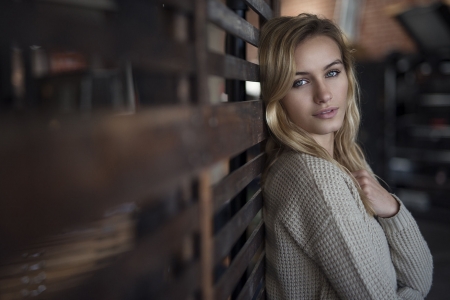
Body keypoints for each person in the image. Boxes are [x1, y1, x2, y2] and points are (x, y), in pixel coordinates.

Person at [259, 13, 433, 299]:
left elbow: (420, 279)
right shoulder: (317, 179)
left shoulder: (340, 159)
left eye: (331, 72)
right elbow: (412, 287)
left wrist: (391, 208)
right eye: (300, 82)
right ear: (277, 95)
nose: (324, 94)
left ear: (348, 77)